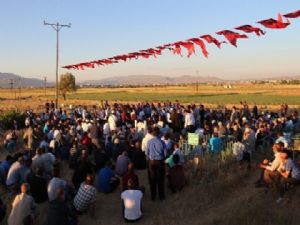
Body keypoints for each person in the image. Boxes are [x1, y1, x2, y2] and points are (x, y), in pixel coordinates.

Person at [146, 127, 166, 201]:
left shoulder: (149, 142)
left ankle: (153, 196)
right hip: (159, 161)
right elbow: (165, 154)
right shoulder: (162, 142)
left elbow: (146, 153)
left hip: (151, 162)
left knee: (152, 179)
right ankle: (161, 196)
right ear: (159, 134)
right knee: (160, 179)